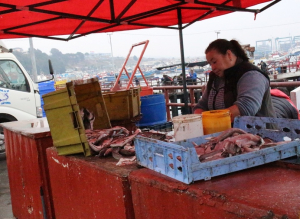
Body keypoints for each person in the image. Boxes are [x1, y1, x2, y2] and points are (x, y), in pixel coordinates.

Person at [193, 39, 276, 122]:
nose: (212, 68)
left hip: (259, 131)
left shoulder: (251, 75)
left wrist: (211, 120)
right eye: (210, 64)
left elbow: (246, 107)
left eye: (214, 62)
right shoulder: (215, 79)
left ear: (229, 55)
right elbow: (201, 105)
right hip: (225, 132)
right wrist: (197, 119)